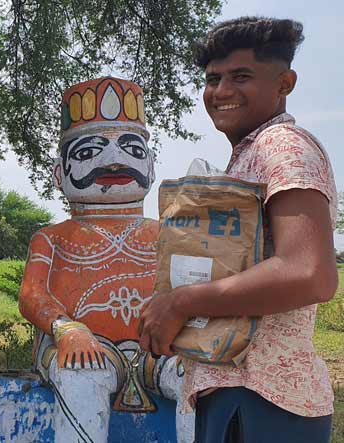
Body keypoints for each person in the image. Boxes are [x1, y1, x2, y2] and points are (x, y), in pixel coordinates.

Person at [138, 17, 338, 443]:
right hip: (236, 395)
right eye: (213, 79)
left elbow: (309, 273)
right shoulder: (249, 155)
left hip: (265, 400)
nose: (221, 91)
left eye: (240, 76)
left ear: (285, 82)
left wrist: (181, 302)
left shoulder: (283, 147)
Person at [18, 77, 193, 443]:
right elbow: (32, 295)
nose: (114, 160)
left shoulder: (170, 232)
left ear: (151, 165)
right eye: (88, 152)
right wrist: (68, 330)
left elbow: (189, 286)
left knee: (196, 377)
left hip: (158, 349)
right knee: (81, 376)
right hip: (81, 345)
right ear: (59, 172)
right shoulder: (51, 236)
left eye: (131, 148)